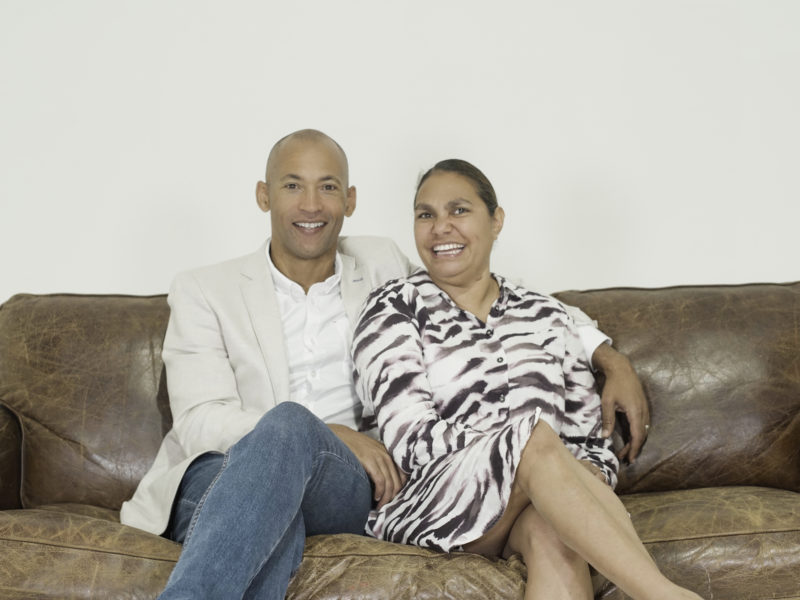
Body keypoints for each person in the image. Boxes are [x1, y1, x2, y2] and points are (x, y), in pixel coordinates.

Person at [119, 130, 649, 599]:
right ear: (264, 195)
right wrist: (320, 430)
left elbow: (513, 299)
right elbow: (199, 420)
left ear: (349, 200)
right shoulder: (205, 289)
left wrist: (608, 355)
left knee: (277, 511)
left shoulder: (382, 267)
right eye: (291, 185)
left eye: (328, 187)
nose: (311, 204)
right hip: (226, 465)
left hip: (345, 480)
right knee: (281, 459)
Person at [351, 159, 703, 599]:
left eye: (458, 210)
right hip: (436, 500)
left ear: (495, 220)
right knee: (535, 439)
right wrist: (522, 453)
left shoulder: (548, 316)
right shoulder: (393, 306)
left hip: (532, 501)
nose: (441, 227)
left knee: (554, 533)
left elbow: (589, 442)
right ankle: (665, 594)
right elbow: (410, 439)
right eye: (426, 214)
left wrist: (570, 480)